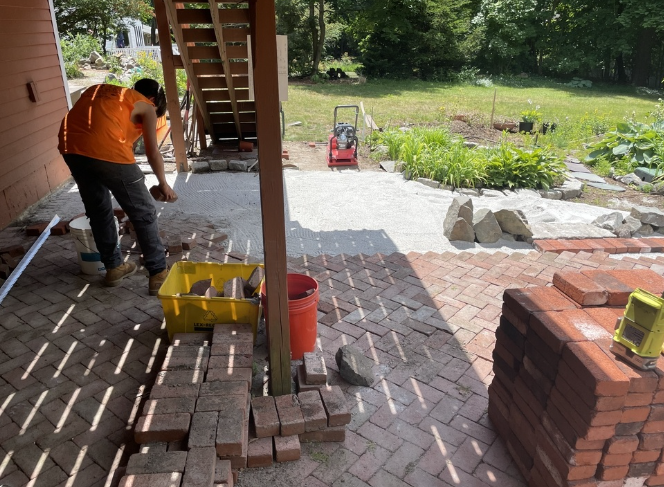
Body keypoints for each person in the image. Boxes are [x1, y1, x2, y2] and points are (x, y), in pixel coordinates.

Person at [58, 79, 177, 296]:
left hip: (71, 148)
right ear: (152, 100)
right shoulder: (146, 106)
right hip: (107, 150)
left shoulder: (100, 90)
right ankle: (158, 273)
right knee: (143, 212)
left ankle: (113, 268)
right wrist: (163, 183)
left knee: (99, 209)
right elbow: (152, 153)